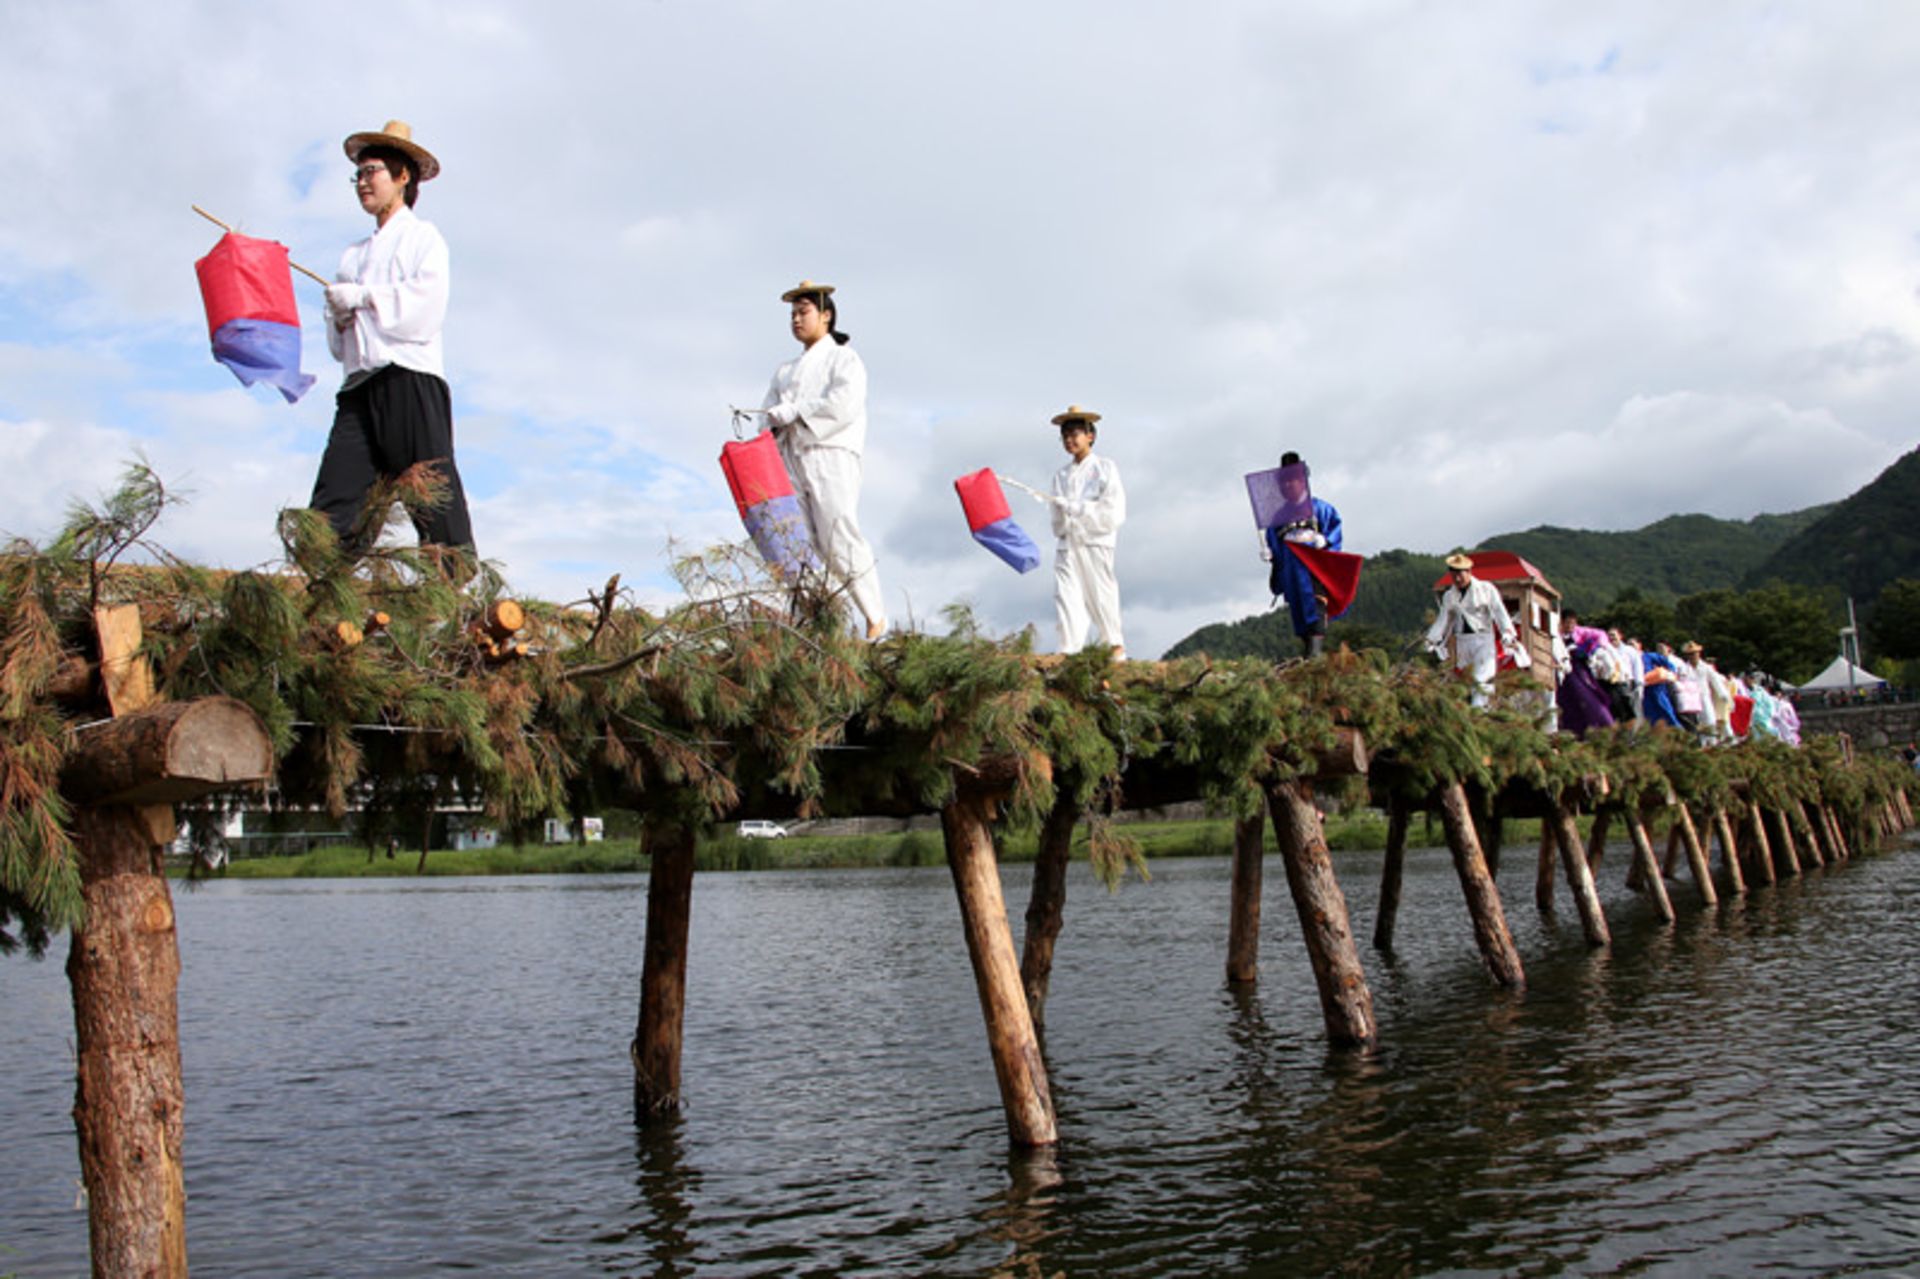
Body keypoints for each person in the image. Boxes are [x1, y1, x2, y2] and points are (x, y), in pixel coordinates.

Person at [309, 120, 475, 557]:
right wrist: (340, 315)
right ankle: (326, 585)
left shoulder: (424, 239)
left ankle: (452, 584)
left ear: (403, 177)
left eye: (373, 171)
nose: (363, 182)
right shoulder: (353, 255)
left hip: (409, 380)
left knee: (432, 497)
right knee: (335, 503)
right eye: (358, 174)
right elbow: (339, 344)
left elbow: (425, 309)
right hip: (359, 386)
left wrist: (363, 297)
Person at [760, 281, 886, 639]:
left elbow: (843, 404)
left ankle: (874, 615)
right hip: (790, 455)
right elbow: (768, 414)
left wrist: (796, 411)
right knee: (798, 541)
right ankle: (819, 621)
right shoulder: (784, 370)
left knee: (837, 533)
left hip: (830, 452)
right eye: (793, 315)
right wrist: (770, 422)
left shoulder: (844, 358)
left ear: (826, 316)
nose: (797, 320)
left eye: (804, 312)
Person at [1048, 405, 1126, 659]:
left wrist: (1080, 509)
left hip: (1095, 539)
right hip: (1069, 542)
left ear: (1090, 435)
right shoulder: (1060, 475)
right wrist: (1060, 511)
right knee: (1066, 593)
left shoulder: (1105, 467)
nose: (1070, 440)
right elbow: (1057, 520)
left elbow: (1113, 510)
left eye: (1075, 434)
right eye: (1065, 436)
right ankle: (1069, 649)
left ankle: (1113, 644)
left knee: (1100, 591)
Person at [1264, 451, 1342, 657]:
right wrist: (1271, 555)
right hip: (1292, 577)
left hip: (1315, 575)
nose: (1288, 486)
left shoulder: (1321, 510)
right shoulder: (1278, 518)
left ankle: (1315, 662)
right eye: (1284, 482)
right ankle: (1308, 661)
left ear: (1303, 481)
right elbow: (1276, 549)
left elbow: (1335, 537)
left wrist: (1325, 542)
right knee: (1301, 625)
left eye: (1293, 480)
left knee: (1316, 619)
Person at [1425, 553, 1527, 707]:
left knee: (1482, 680)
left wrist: (1507, 632)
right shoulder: (1449, 595)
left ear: (1469, 572)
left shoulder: (1486, 589)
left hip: (1483, 639)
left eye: (1460, 574)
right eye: (1454, 575)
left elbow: (1499, 612)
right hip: (1463, 641)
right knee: (1464, 680)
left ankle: (1481, 713)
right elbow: (1444, 619)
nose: (1457, 579)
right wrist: (1432, 638)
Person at [1555, 610, 1616, 737]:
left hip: (1579, 669)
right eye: (1567, 623)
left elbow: (1600, 635)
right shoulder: (1556, 634)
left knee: (1588, 696)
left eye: (1572, 623)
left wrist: (1591, 650)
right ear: (1561, 622)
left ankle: (1602, 725)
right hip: (1564, 671)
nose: (1570, 626)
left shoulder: (1580, 632)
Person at [1641, 642, 1685, 728]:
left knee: (1667, 713)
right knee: (1651, 718)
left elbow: (1669, 665)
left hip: (1657, 689)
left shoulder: (1648, 656)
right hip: (1644, 692)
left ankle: (1680, 734)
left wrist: (1667, 675)